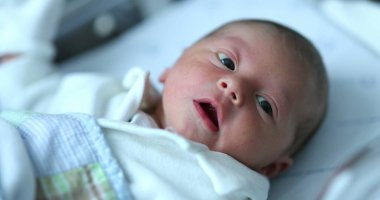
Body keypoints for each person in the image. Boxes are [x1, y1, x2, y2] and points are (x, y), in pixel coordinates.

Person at [0, 0, 328, 199]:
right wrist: (23, 36)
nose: (233, 86)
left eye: (265, 105)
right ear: (172, 67)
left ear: (270, 167)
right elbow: (23, 92)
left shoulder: (219, 188)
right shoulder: (105, 97)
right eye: (226, 62)